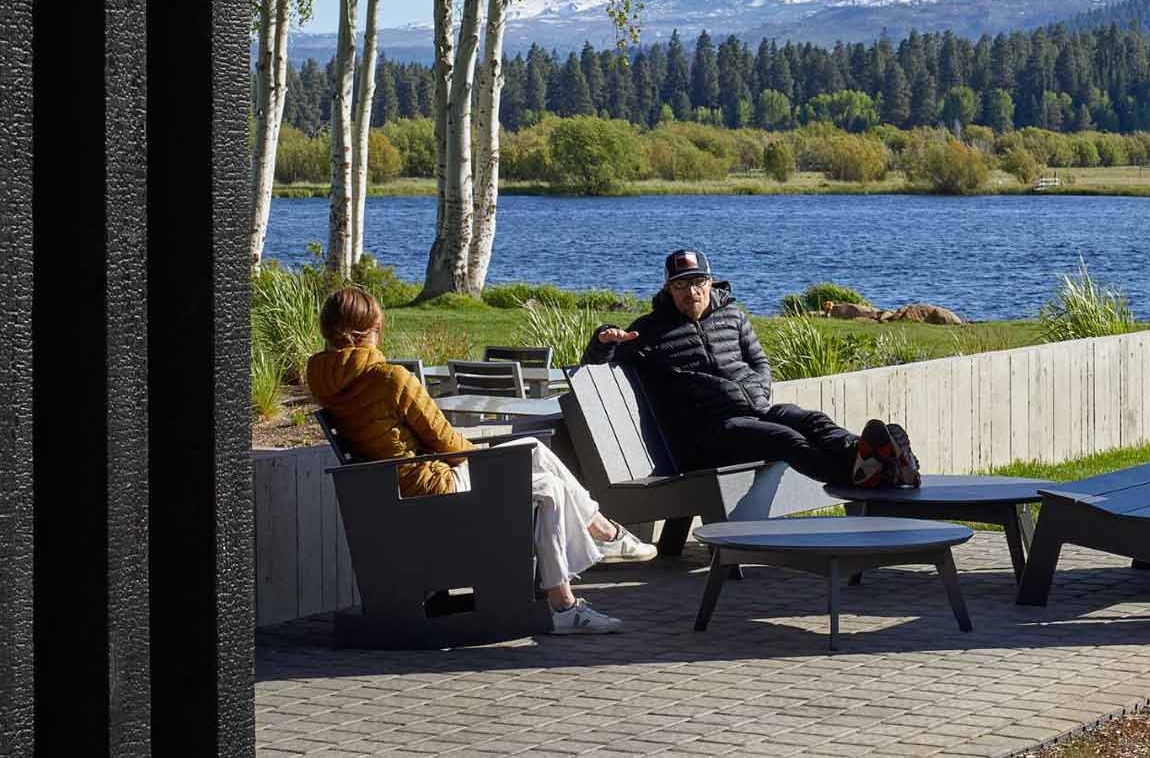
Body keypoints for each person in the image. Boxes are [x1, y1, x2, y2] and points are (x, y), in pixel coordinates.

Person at [306, 285, 653, 635]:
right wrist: (489, 458)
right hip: (430, 488)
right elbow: (445, 441)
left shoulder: (322, 380)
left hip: (391, 490)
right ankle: (565, 601)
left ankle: (603, 532)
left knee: (531, 447)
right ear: (374, 329)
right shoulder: (390, 378)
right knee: (546, 486)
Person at [588, 246, 920, 489]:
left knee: (811, 420)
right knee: (784, 439)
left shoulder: (732, 314)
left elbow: (759, 360)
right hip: (707, 433)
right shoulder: (648, 330)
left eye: (698, 282)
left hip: (757, 409)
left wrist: (759, 392)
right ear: (668, 289)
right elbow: (595, 368)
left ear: (710, 281)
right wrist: (604, 340)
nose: (691, 292)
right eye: (680, 285)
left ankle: (866, 455)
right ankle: (866, 473)